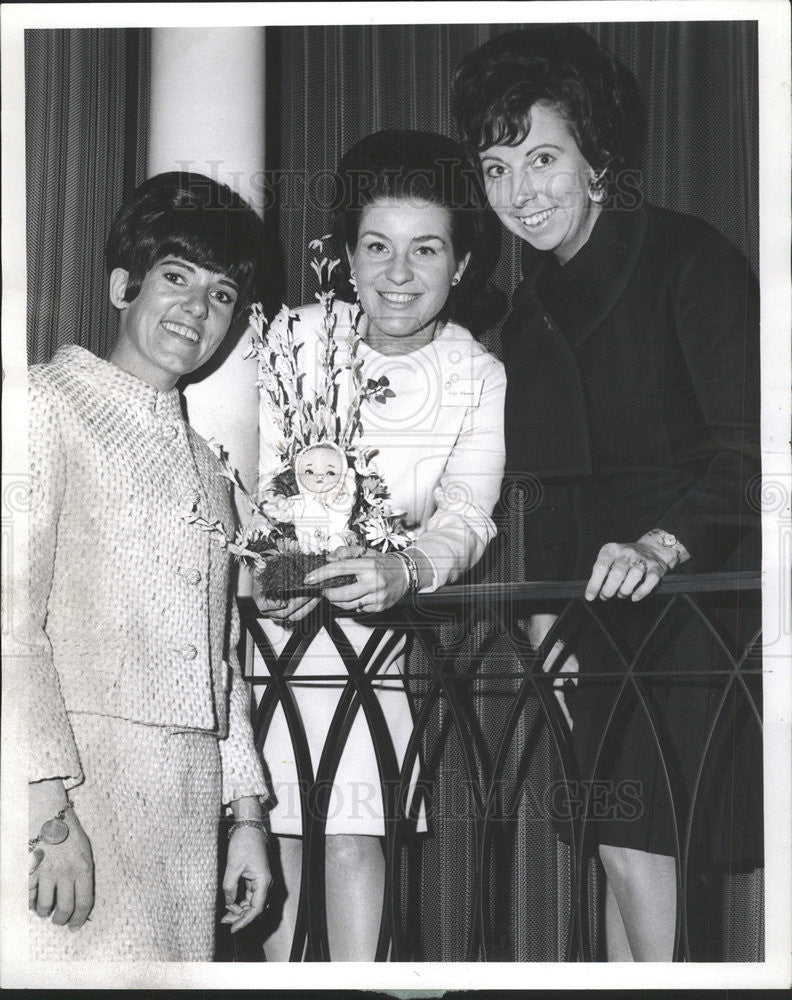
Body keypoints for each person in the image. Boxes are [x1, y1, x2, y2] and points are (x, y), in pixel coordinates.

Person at [453, 26, 761, 961]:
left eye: (542, 157)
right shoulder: (525, 312)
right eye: (497, 167)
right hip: (591, 629)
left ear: (597, 158)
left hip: (694, 613)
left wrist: (660, 545)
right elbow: (544, 488)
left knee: (644, 852)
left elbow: (751, 452)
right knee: (614, 857)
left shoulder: (688, 257)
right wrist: (548, 621)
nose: (519, 192)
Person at [251, 130, 506, 960]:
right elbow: (250, 484)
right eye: (378, 247)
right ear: (348, 258)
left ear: (461, 265)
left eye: (426, 249)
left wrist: (408, 568)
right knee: (272, 847)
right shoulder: (295, 339)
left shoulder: (478, 374)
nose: (399, 274)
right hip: (273, 634)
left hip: (374, 637)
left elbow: (468, 513)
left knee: (356, 838)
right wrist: (273, 572)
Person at [26, 172, 277, 961]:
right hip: (75, 801)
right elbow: (9, 627)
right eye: (177, 277)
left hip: (186, 810)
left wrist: (247, 817)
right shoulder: (41, 405)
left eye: (223, 294)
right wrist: (47, 813)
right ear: (122, 286)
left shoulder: (208, 466)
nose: (197, 310)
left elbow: (222, 663)